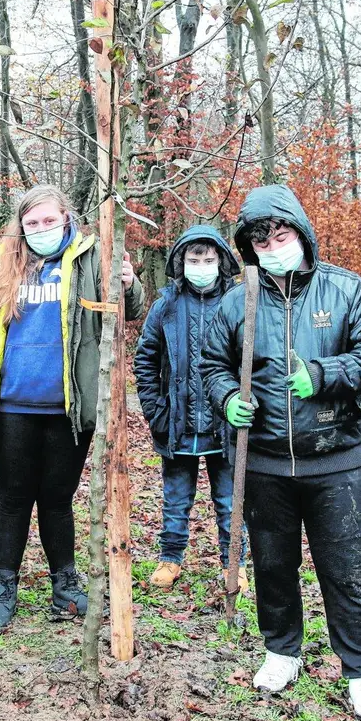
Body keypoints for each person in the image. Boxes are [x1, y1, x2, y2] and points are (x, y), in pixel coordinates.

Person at [199, 185, 361, 721]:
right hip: (261, 460)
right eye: (260, 240)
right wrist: (226, 398)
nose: (272, 247)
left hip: (334, 457)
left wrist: (325, 375)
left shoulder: (346, 290)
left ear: (301, 234)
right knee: (273, 565)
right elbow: (212, 364)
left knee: (346, 569)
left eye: (281, 235)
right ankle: (281, 651)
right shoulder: (238, 300)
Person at [0, 184, 146, 632]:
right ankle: (4, 587)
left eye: (48, 222)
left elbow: (126, 312)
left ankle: (65, 585)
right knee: (13, 499)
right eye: (31, 224)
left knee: (58, 499)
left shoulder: (92, 256)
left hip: (68, 406)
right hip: (12, 404)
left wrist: (130, 285)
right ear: (20, 227)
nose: (40, 230)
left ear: (66, 219)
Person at [133, 226, 245, 591]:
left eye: (209, 259)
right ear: (181, 262)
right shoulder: (165, 304)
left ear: (221, 262)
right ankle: (170, 558)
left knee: (230, 499)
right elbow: (146, 359)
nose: (201, 265)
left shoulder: (238, 301)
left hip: (224, 422)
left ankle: (234, 564)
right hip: (177, 422)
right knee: (176, 497)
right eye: (194, 259)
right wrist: (156, 411)